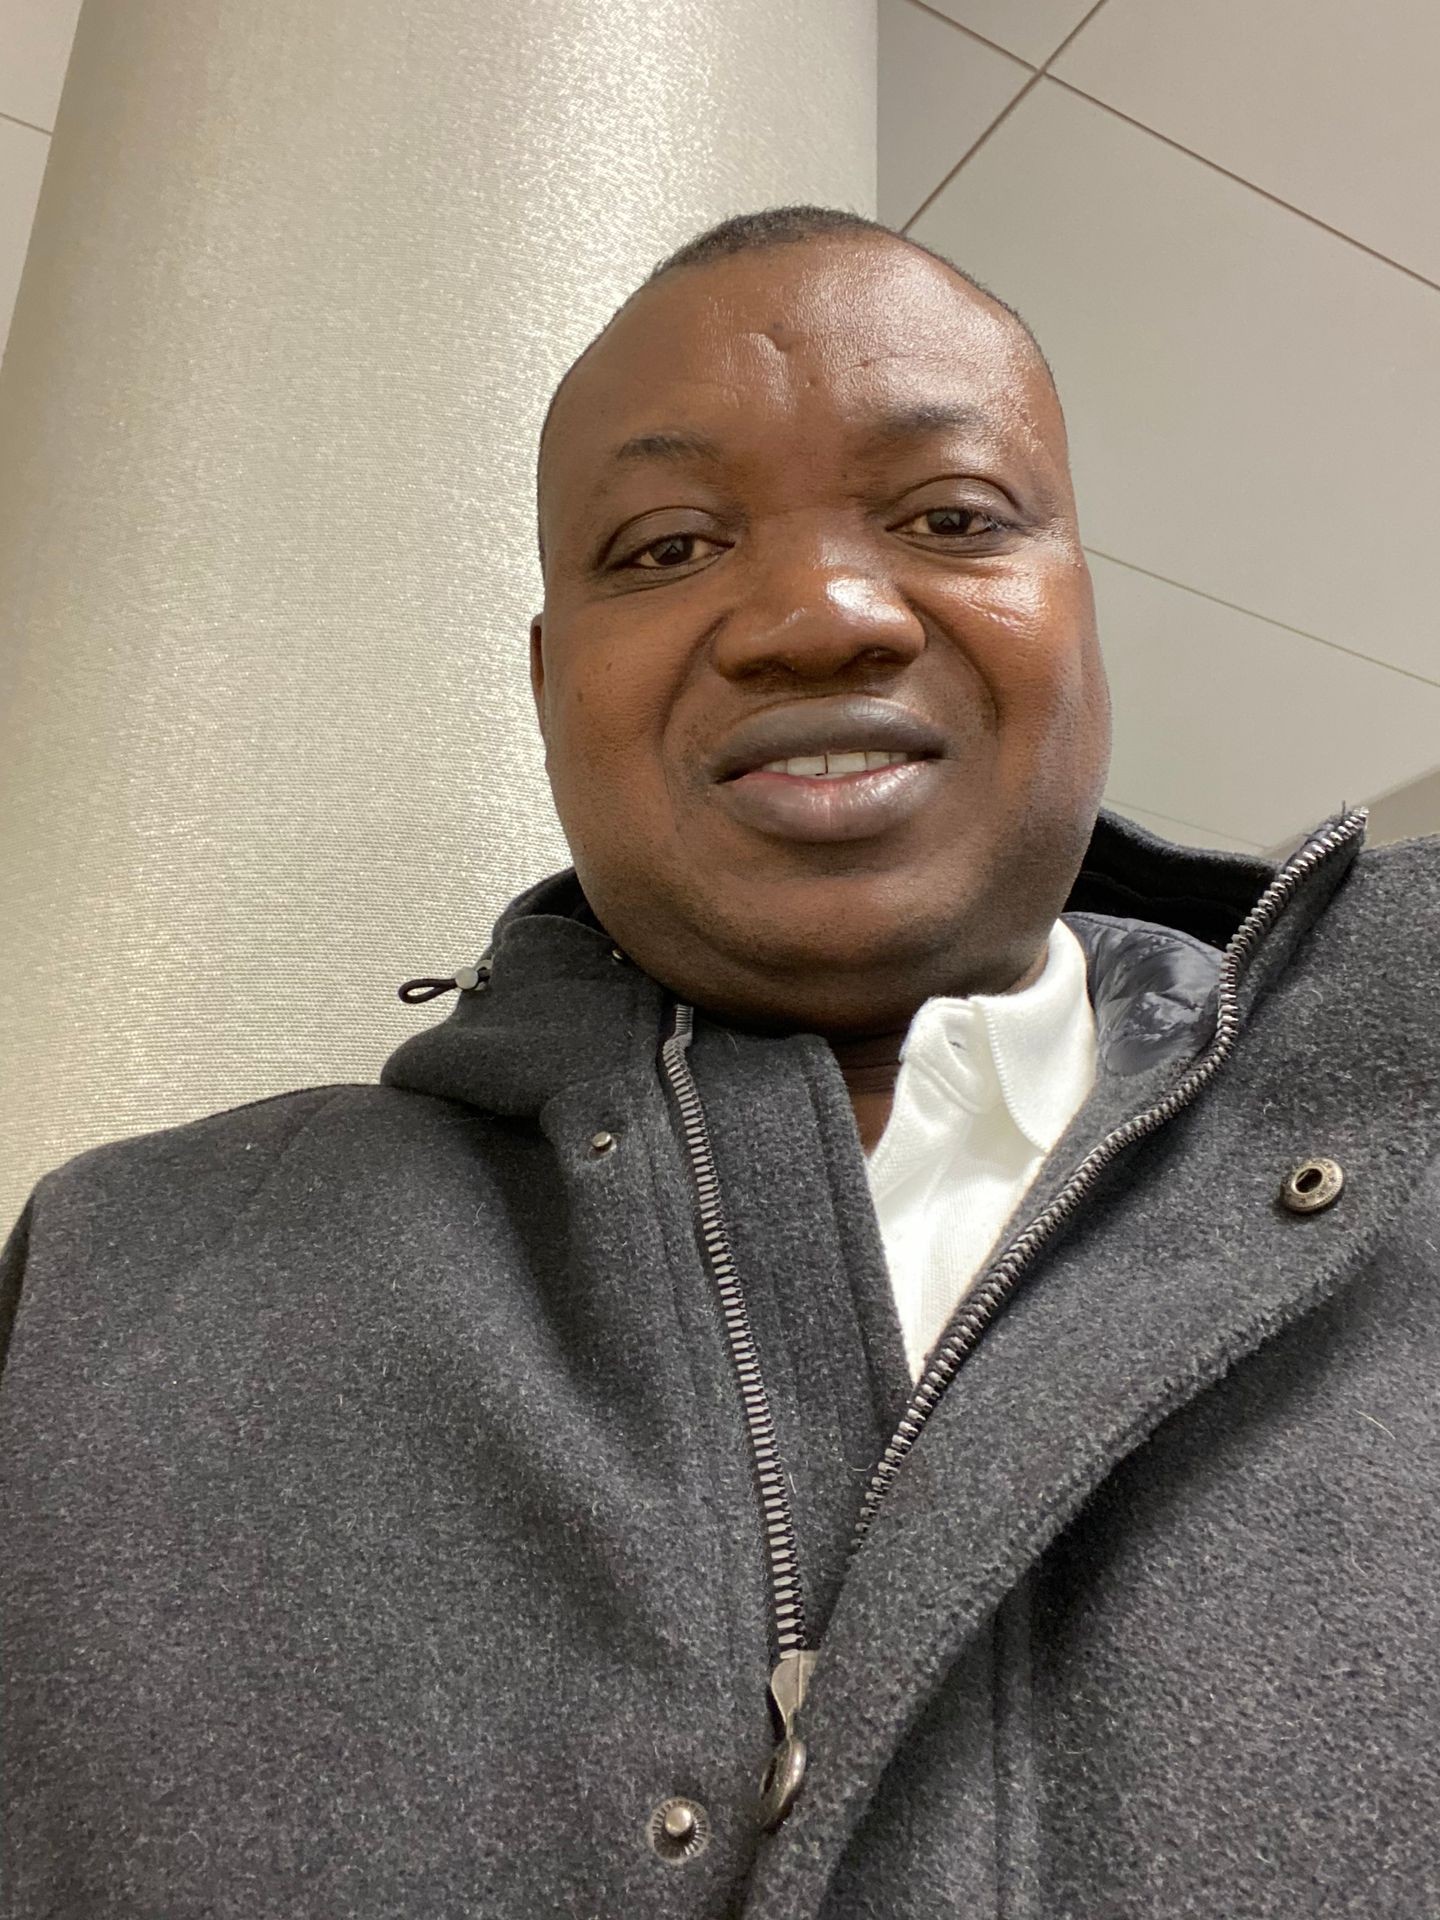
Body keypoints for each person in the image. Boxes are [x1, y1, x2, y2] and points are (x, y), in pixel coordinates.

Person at [2, 203, 1437, 1920]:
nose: (820, 615)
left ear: (1081, 619)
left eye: (951, 517)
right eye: (669, 547)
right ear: (551, 689)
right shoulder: (116, 1277)